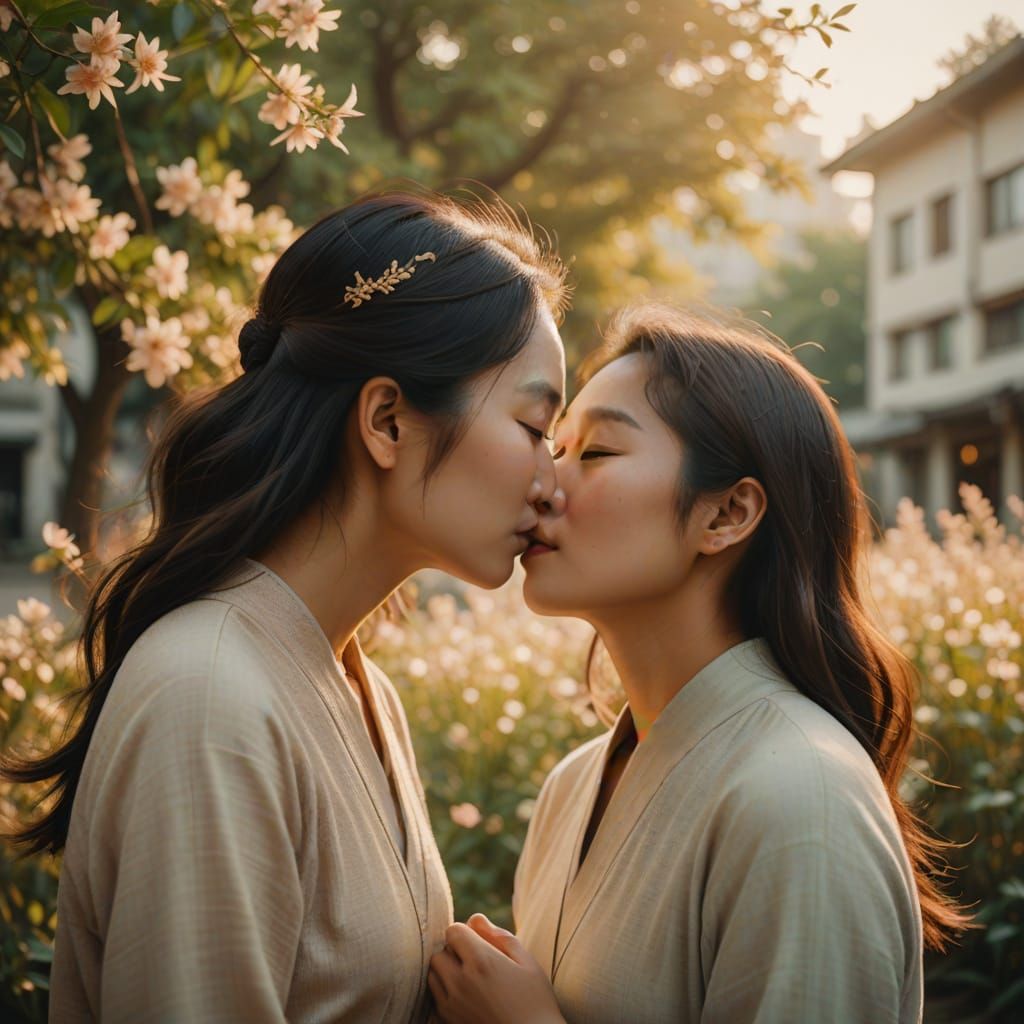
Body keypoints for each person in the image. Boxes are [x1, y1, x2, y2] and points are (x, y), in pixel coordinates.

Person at [1, 190, 568, 1023]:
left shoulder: (347, 675)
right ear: (386, 420)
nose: (552, 482)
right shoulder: (209, 695)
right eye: (532, 425)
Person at [428, 304, 970, 1024]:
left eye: (595, 454)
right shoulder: (573, 786)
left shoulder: (801, 798)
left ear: (726, 515)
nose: (543, 484)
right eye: (552, 448)